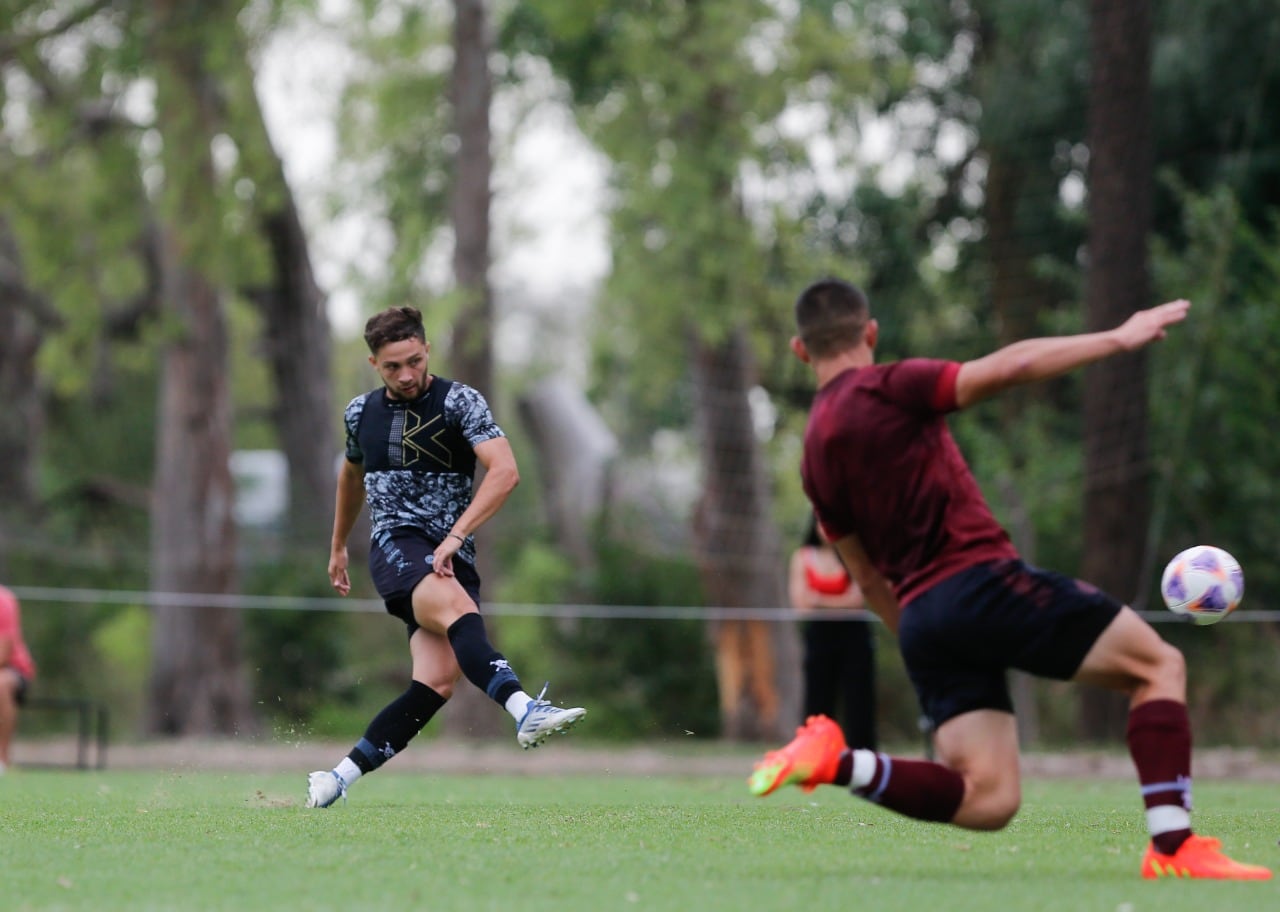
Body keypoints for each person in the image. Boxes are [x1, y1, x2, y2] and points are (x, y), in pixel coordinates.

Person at [749, 278, 1271, 881]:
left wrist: (918, 643)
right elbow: (1013, 364)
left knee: (988, 799)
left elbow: (865, 575)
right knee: (1159, 667)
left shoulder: (813, 454)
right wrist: (1118, 338)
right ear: (870, 333)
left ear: (800, 349)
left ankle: (838, 762)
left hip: (921, 618)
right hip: (979, 584)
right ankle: (1174, 849)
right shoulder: (889, 386)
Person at [307, 306, 586, 808]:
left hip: (448, 552)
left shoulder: (461, 402)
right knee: (460, 612)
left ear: (427, 349)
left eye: (414, 360)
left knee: (435, 683)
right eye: (393, 367)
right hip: (396, 545)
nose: (407, 375)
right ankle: (526, 710)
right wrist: (337, 546)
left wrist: (457, 536)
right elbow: (351, 476)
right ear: (374, 364)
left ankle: (336, 777)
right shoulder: (359, 413)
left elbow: (504, 471)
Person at [788, 515, 876, 750]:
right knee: (817, 697)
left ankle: (862, 755)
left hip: (854, 635)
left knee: (858, 697)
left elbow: (858, 599)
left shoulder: (855, 556)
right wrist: (838, 602)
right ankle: (813, 752)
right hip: (819, 635)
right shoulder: (802, 557)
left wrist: (818, 599)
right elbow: (801, 604)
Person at [0, 584, 37, 774]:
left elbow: (3, 654)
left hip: (13, 670)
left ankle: (3, 760)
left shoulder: (3, 599)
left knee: (0, 684)